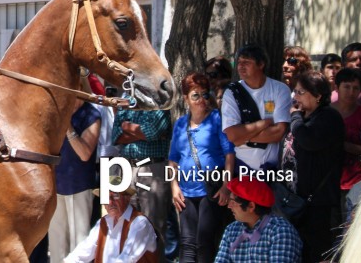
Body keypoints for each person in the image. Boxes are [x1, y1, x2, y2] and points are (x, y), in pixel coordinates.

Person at [169, 73, 235, 263]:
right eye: (195, 95)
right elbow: (173, 159)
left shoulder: (216, 119)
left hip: (211, 190)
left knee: (205, 241)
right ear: (185, 98)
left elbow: (229, 154)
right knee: (187, 242)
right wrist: (174, 186)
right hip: (186, 191)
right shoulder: (181, 123)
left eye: (205, 94)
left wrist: (226, 186)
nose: (201, 100)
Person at [289, 70, 344, 263]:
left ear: (318, 96)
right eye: (295, 91)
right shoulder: (305, 118)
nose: (296, 97)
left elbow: (308, 140)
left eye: (301, 92)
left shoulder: (329, 117)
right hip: (301, 199)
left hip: (321, 201)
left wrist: (295, 118)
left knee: (320, 252)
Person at [111, 105, 171, 260]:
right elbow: (114, 136)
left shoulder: (160, 101)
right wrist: (139, 132)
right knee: (125, 222)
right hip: (126, 167)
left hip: (152, 168)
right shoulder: (127, 100)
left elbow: (152, 132)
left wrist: (126, 127)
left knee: (154, 225)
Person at [221, 44, 291, 171]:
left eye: (247, 62)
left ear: (261, 64)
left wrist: (241, 137)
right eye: (239, 62)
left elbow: (279, 133)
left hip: (273, 171)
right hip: (243, 170)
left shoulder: (280, 90)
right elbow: (232, 135)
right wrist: (263, 124)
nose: (241, 66)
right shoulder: (232, 92)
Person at [49, 99, 101, 262]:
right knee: (57, 247)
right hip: (57, 187)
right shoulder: (60, 111)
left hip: (80, 187)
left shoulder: (92, 115)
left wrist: (68, 128)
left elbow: (84, 154)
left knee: (79, 245)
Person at [64, 176, 158, 263]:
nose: (110, 201)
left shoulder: (140, 223)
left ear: (127, 198)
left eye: (115, 196)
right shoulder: (102, 223)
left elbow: (126, 259)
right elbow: (82, 252)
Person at [213, 177, 302, 263]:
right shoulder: (231, 230)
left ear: (251, 206)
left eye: (233, 202)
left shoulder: (281, 231)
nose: (229, 206)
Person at [332, 68, 361, 210]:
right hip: (328, 183)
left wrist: (343, 145)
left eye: (355, 88)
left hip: (357, 183)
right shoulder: (326, 113)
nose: (351, 92)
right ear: (336, 87)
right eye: (346, 87)